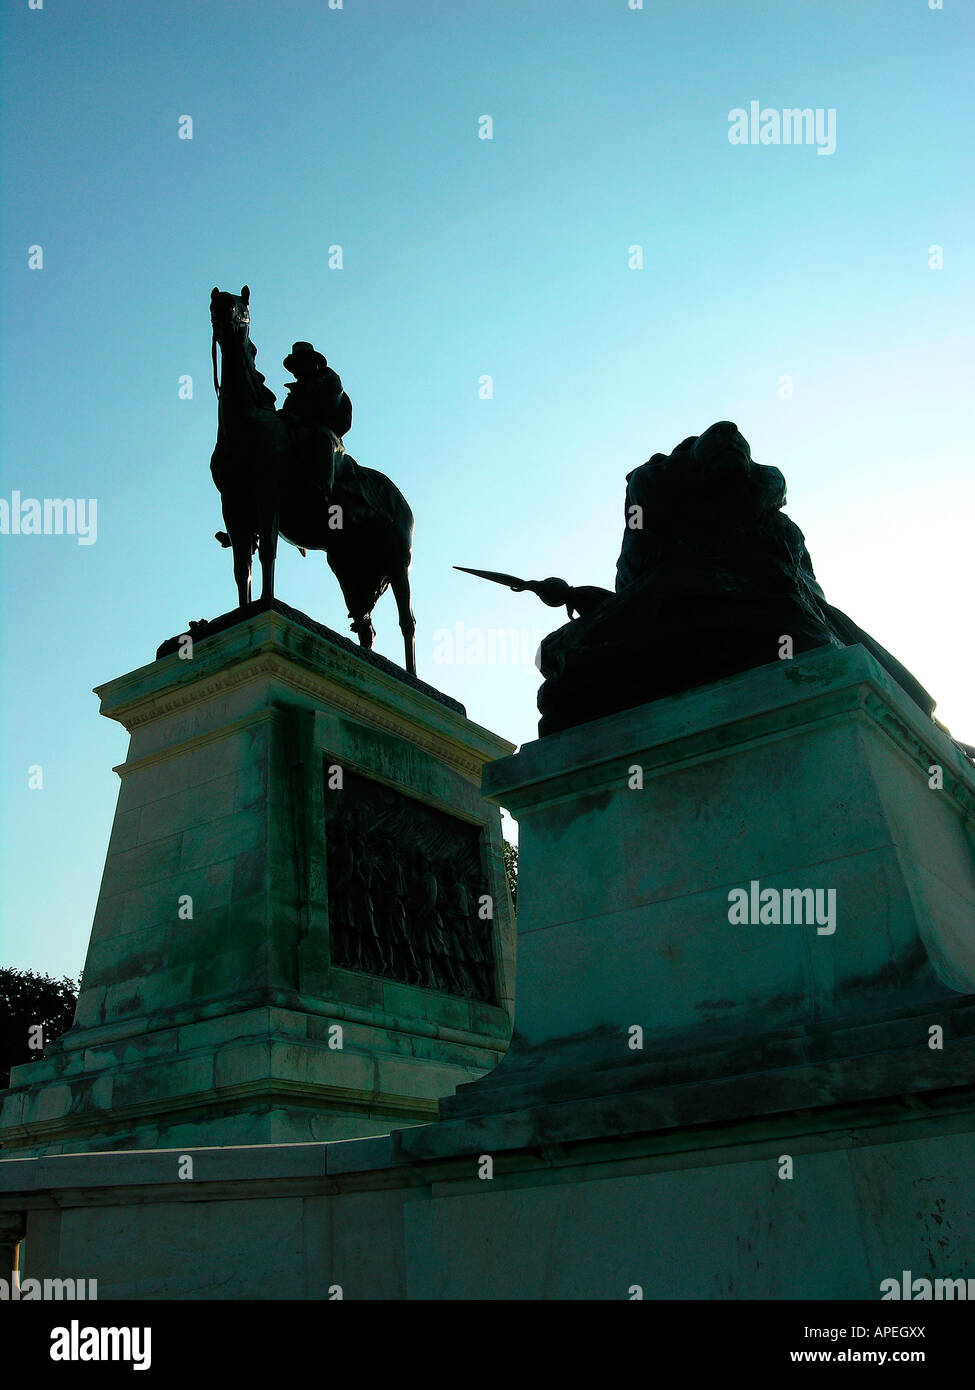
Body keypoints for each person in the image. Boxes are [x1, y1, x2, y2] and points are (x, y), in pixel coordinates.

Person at [280, 342, 353, 493]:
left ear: (314, 363)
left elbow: (327, 406)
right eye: (295, 365)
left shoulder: (331, 381)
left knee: (322, 438)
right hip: (299, 432)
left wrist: (298, 418)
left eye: (301, 363)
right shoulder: (294, 392)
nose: (297, 370)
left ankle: (323, 491)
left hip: (327, 434)